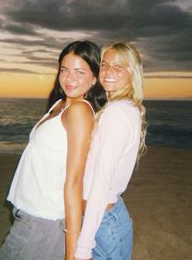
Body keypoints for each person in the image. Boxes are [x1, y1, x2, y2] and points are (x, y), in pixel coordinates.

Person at [0, 40, 107, 260]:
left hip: (42, 222)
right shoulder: (60, 105)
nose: (69, 78)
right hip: (31, 217)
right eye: (64, 70)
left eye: (79, 72)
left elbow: (75, 181)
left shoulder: (79, 112)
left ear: (94, 79)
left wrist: (73, 252)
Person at [75, 42, 147, 260]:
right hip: (107, 218)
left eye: (119, 66)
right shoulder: (125, 108)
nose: (108, 72)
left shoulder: (116, 113)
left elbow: (101, 182)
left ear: (132, 72)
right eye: (105, 65)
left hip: (104, 223)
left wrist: (83, 246)